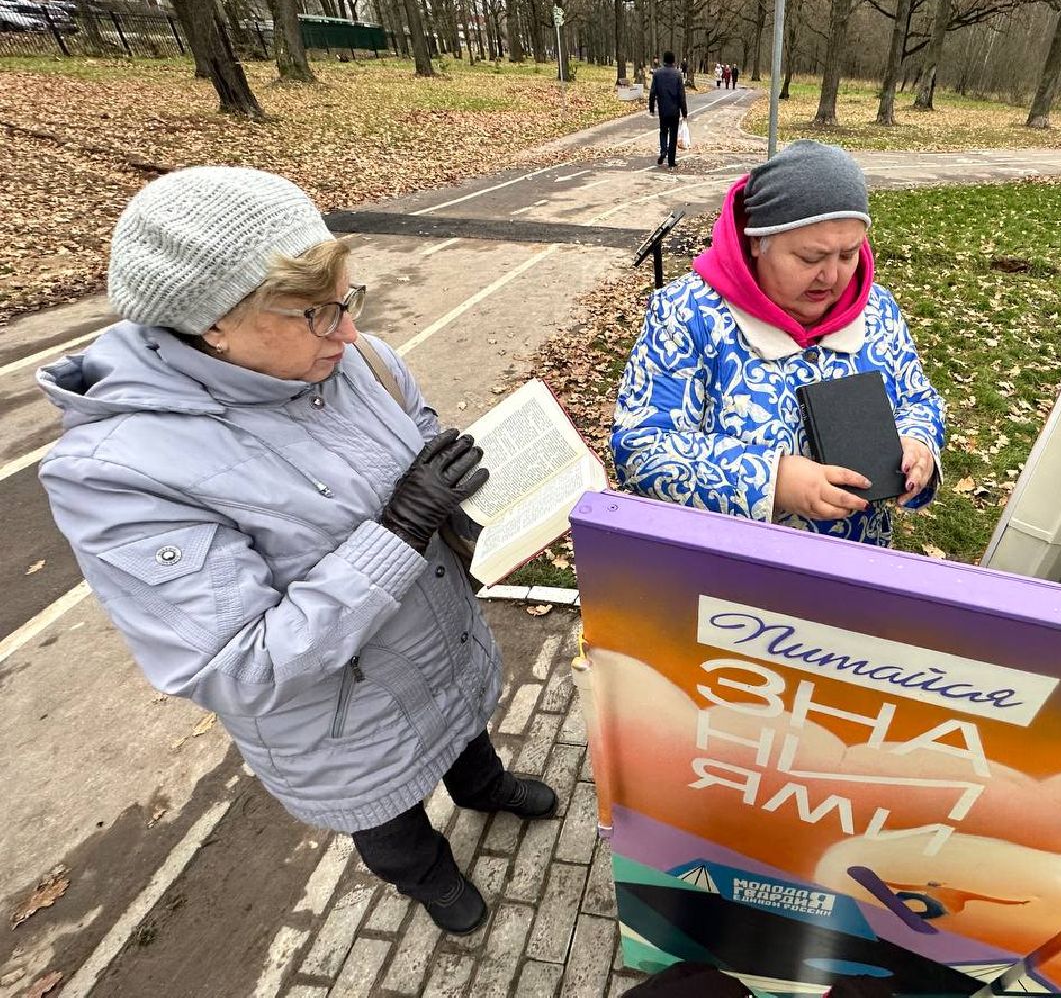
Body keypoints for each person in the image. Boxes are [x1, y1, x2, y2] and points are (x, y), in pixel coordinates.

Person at [37, 167, 556, 937]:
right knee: (391, 824)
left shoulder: (356, 361)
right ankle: (430, 878)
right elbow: (238, 664)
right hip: (346, 725)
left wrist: (489, 500)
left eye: (348, 299)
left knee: (465, 737)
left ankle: (483, 788)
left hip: (442, 651)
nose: (348, 332)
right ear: (214, 323)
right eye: (317, 313)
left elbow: (422, 442)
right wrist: (398, 532)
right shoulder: (116, 474)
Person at [611, 141, 946, 547]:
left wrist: (918, 442)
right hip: (730, 566)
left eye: (848, 254)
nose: (831, 277)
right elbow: (641, 447)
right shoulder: (689, 314)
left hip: (852, 560)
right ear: (757, 241)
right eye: (810, 258)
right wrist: (771, 480)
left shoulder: (877, 310)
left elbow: (919, 400)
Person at [649, 50, 688, 169]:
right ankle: (671, 160)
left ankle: (663, 150)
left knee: (663, 131)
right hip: (674, 109)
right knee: (673, 135)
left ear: (664, 60)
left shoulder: (657, 74)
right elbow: (681, 95)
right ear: (673, 61)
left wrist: (651, 108)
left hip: (663, 109)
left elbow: (652, 92)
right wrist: (684, 111)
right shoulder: (677, 74)